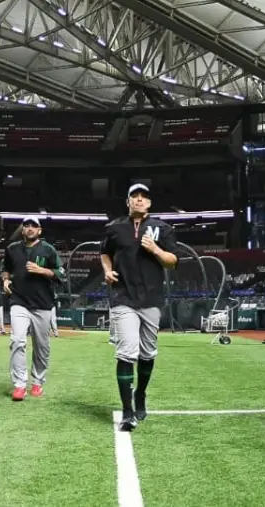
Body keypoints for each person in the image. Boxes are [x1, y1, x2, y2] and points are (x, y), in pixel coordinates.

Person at [101, 183, 178, 432]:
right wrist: (107, 270)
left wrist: (155, 249)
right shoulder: (114, 228)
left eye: (143, 197)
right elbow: (104, 253)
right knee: (127, 352)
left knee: (148, 353)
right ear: (128, 202)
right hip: (123, 296)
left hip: (151, 298)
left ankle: (141, 394)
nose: (139, 200)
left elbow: (172, 262)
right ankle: (127, 411)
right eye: (134, 196)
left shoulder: (163, 229)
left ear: (150, 203)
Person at [2, 216, 66, 401]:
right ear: (22, 230)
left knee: (41, 346)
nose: (29, 228)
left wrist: (43, 271)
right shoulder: (13, 249)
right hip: (19, 301)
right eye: (26, 225)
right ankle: (20, 384)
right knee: (17, 341)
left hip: (42, 304)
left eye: (34, 226)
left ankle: (37, 382)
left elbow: (61, 273)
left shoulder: (48, 250)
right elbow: (5, 266)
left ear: (40, 231)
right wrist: (5, 279)